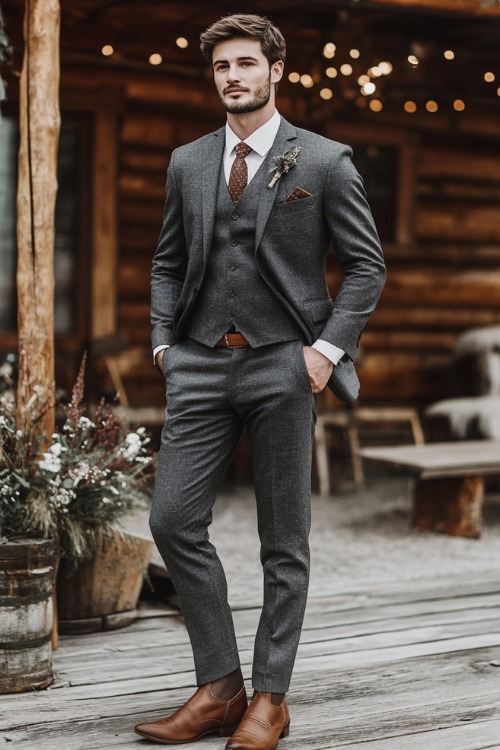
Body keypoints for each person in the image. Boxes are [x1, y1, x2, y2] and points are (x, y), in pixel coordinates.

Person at [135, 13, 385, 750]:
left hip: (286, 364)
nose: (233, 76)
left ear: (276, 70)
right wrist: (162, 347)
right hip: (200, 363)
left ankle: (269, 699)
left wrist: (326, 351)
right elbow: (167, 262)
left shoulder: (326, 162)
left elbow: (367, 268)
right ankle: (219, 688)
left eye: (246, 64)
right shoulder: (188, 161)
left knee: (285, 539)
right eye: (221, 67)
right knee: (172, 521)